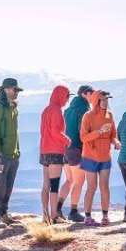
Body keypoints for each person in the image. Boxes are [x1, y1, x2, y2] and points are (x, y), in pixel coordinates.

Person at [79, 90, 119, 225]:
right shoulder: (88, 116)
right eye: (103, 100)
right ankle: (88, 217)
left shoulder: (110, 115)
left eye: (107, 99)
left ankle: (105, 216)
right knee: (91, 187)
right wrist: (99, 132)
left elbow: (113, 134)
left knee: (104, 186)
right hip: (90, 157)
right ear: (96, 101)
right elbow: (83, 137)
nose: (106, 102)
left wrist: (116, 142)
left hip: (105, 157)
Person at [0, 78, 21, 228]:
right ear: (7, 89)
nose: (17, 93)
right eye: (15, 90)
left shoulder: (12, 107)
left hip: (13, 155)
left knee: (8, 185)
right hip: (1, 155)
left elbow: (15, 132)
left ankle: (3, 213)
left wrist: (17, 151)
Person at [59, 85, 93, 222]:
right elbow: (82, 131)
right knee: (79, 181)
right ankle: (73, 211)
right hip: (76, 148)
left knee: (69, 180)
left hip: (65, 148)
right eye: (91, 93)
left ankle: (57, 208)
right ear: (85, 94)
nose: (93, 97)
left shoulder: (67, 110)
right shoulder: (84, 110)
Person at [39, 85, 71, 224]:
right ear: (61, 96)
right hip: (55, 151)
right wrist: (67, 140)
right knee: (55, 185)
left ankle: (45, 215)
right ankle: (54, 216)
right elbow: (55, 132)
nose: (67, 100)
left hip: (44, 150)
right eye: (66, 97)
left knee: (46, 185)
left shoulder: (46, 110)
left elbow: (45, 131)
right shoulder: (57, 111)